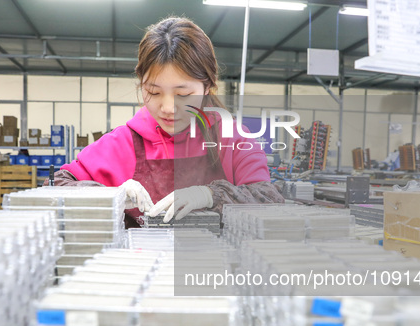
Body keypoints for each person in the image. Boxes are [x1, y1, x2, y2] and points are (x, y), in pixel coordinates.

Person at [49, 17, 284, 224]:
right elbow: (57, 184)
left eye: (182, 95)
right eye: (153, 92)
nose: (168, 108)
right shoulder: (123, 143)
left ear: (208, 87)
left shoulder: (232, 138)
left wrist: (210, 195)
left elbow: (268, 198)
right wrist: (109, 195)